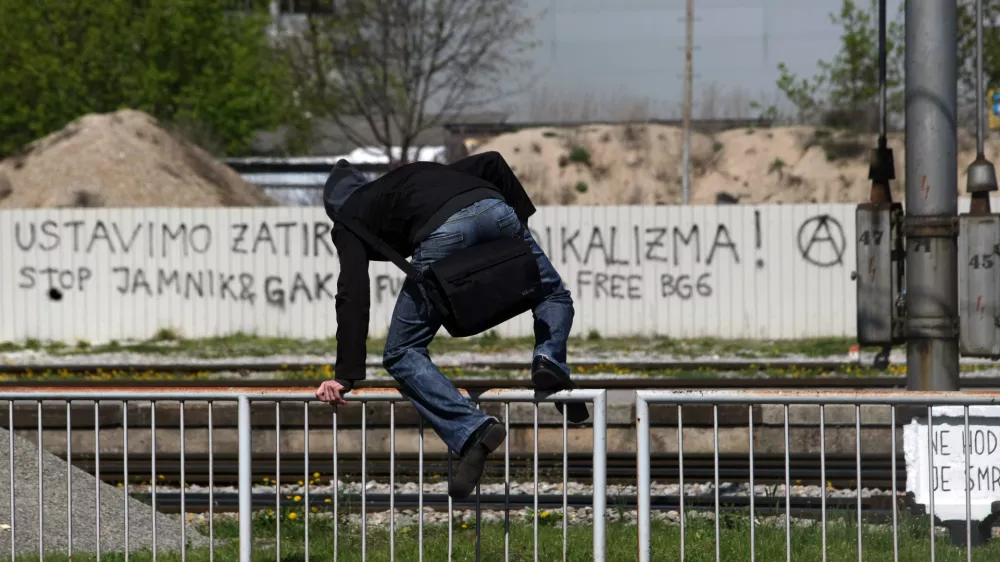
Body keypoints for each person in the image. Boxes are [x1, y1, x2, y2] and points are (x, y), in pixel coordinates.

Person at [313, 151, 588, 499]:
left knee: (401, 351)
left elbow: (351, 293)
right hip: (497, 208)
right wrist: (517, 227)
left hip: (443, 232)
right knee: (552, 294)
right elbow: (492, 162)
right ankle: (549, 358)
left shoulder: (348, 218)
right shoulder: (410, 180)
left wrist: (345, 375)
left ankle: (474, 429)